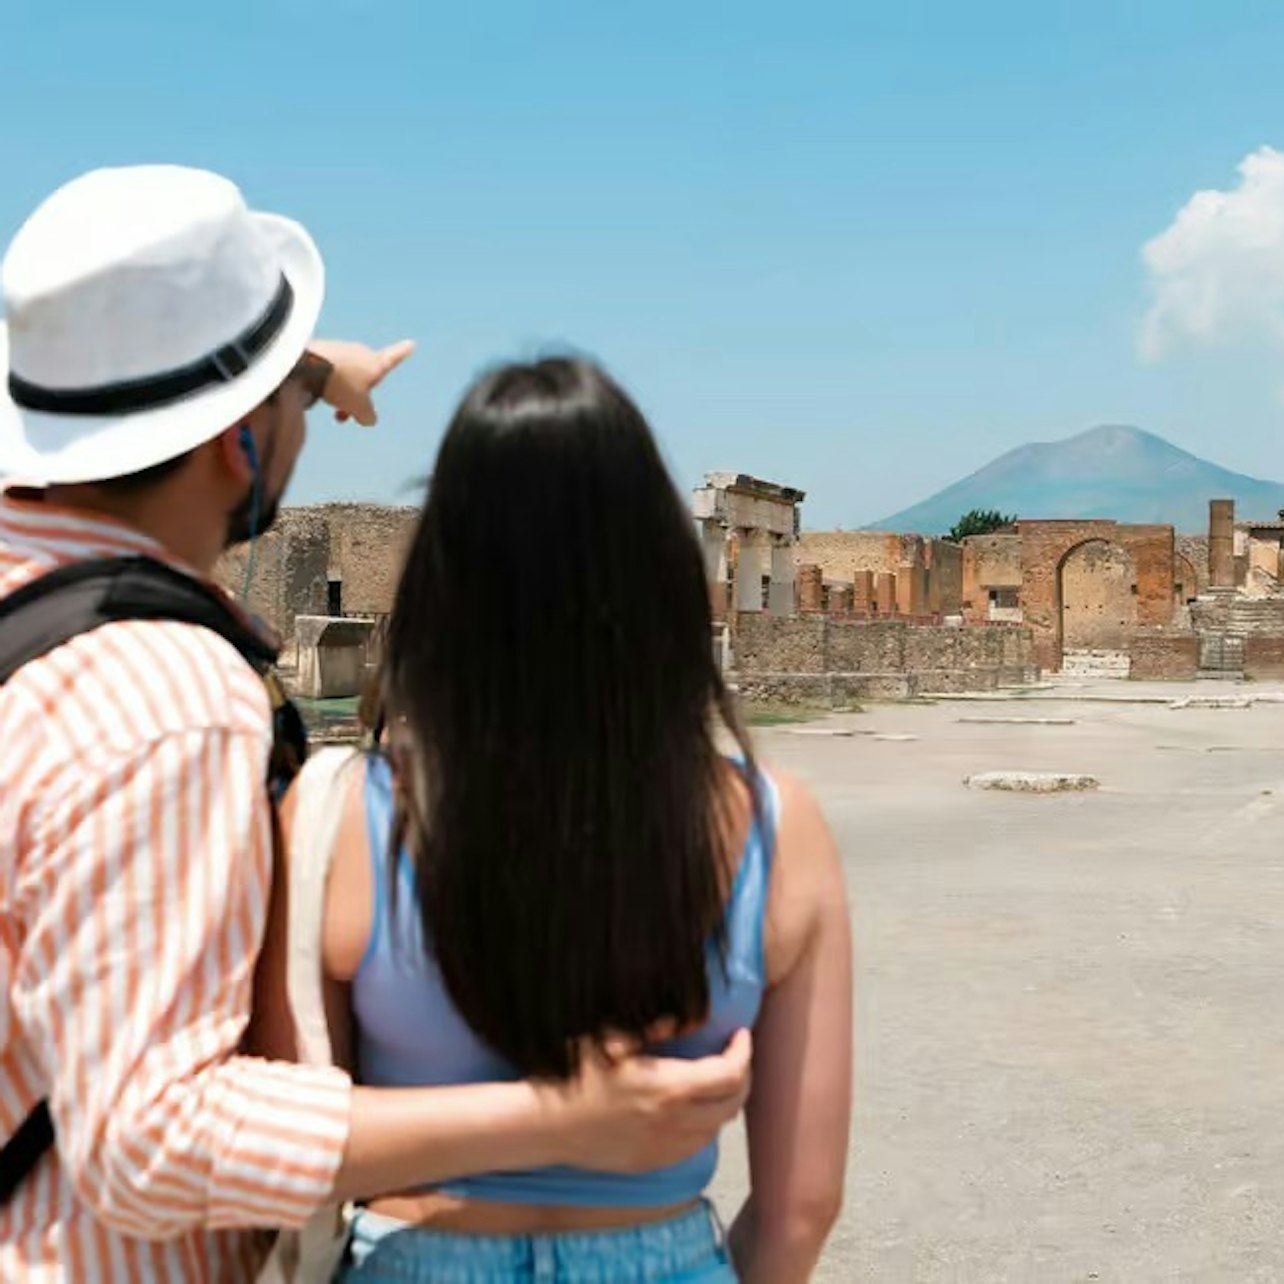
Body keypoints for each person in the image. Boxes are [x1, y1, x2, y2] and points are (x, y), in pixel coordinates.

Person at [0, 167, 752, 1282]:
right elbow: (142, 1141)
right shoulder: (174, 699)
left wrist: (295, 373)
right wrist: (560, 1117)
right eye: (287, 403)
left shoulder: (31, 606)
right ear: (234, 443)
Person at [259, 357, 853, 1282]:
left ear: (443, 575)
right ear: (661, 566)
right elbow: (800, 1207)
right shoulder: (776, 825)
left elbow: (282, 1149)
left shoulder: (338, 817)